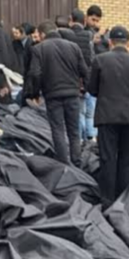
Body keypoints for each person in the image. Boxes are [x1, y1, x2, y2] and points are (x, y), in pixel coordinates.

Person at [88, 25, 129, 206]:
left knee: (107, 158)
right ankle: (123, 200)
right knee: (127, 160)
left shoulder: (100, 60)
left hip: (107, 116)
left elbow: (92, 89)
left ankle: (107, 200)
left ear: (110, 42)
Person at [26, 20, 88, 166]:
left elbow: (35, 73)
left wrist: (35, 93)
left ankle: (63, 164)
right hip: (72, 94)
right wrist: (84, 88)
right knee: (74, 131)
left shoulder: (39, 49)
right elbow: (84, 71)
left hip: (52, 96)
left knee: (58, 130)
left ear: (42, 34)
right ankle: (77, 162)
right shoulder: (73, 47)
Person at [67, 8, 97, 143]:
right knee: (88, 113)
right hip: (85, 80)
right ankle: (90, 138)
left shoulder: (66, 35)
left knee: (78, 113)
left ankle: (79, 140)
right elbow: (91, 58)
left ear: (71, 19)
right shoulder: (88, 36)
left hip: (72, 81)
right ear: (84, 21)